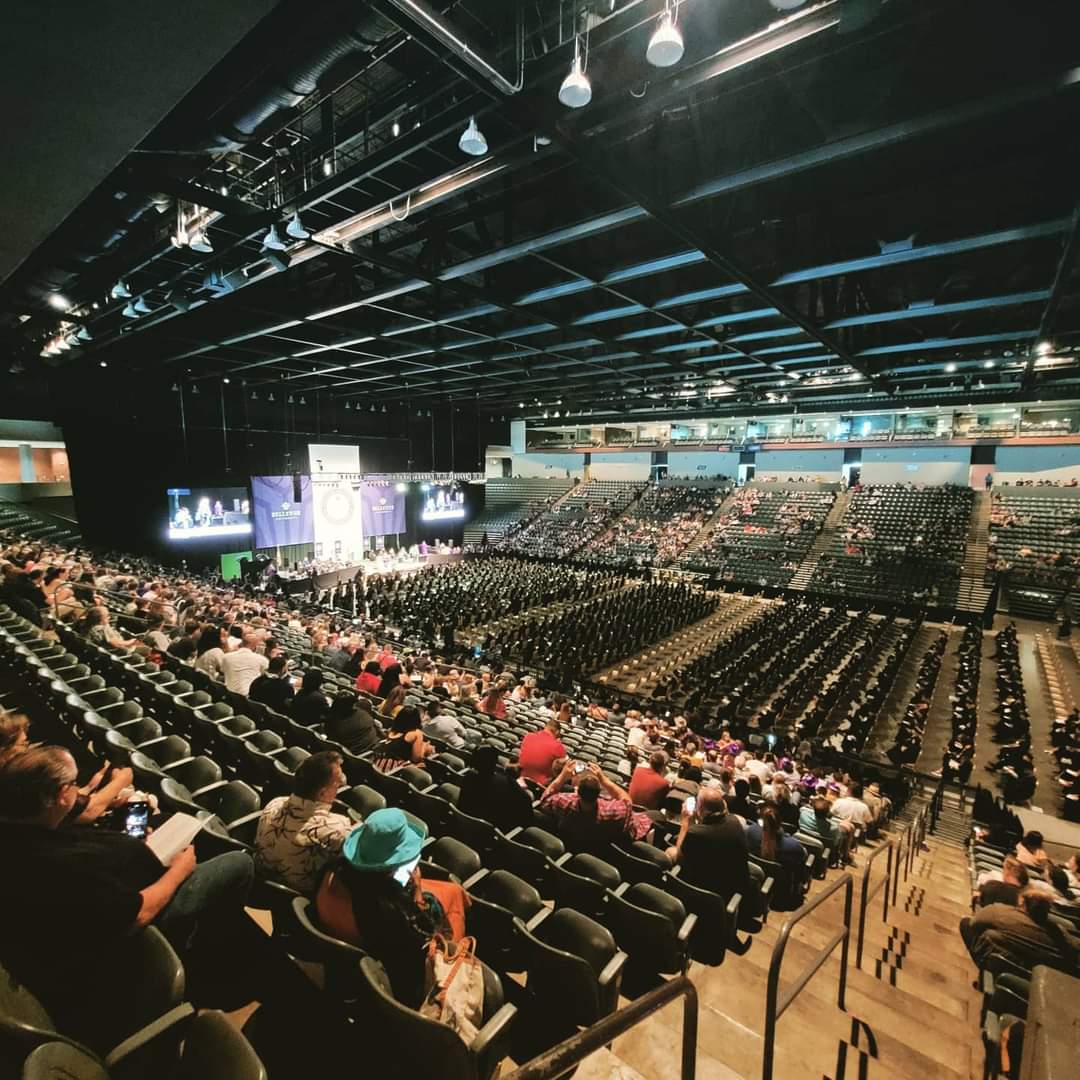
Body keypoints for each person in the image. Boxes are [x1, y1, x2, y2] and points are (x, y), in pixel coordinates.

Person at [0, 746, 254, 997]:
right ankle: (213, 963)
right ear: (54, 798)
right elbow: (138, 914)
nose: (79, 790)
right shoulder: (60, 867)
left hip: (127, 873)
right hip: (143, 919)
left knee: (158, 820)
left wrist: (129, 846)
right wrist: (179, 870)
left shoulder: (25, 829)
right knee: (239, 863)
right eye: (73, 784)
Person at [315, 808, 469, 1007]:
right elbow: (426, 935)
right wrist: (418, 893)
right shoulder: (390, 908)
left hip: (339, 947)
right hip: (388, 968)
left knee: (451, 892)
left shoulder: (332, 869)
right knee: (453, 902)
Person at [254, 751, 352, 895]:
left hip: (259, 888)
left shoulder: (274, 804)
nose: (342, 783)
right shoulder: (337, 829)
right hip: (300, 899)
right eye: (338, 783)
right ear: (322, 793)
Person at [666, 787, 756, 905]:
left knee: (671, 851)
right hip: (734, 886)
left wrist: (686, 822)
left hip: (708, 895)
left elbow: (679, 858)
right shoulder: (735, 821)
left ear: (699, 809)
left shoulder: (695, 833)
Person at [538, 761, 650, 854]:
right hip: (603, 852)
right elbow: (627, 802)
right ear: (599, 793)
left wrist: (563, 776)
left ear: (577, 792)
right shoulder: (612, 810)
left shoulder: (565, 802)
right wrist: (604, 780)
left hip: (573, 848)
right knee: (653, 815)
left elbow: (545, 799)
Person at [960, 889, 1078, 971]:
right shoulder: (1060, 932)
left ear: (1022, 903)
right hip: (1033, 975)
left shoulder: (1002, 913)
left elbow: (973, 923)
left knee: (966, 923)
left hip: (1007, 967)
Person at [458, 744, 534, 832]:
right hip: (499, 829)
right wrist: (517, 785)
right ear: (495, 762)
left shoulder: (467, 779)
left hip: (470, 826)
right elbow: (526, 804)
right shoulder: (506, 782)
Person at [372, 707, 433, 772]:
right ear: (416, 719)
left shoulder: (392, 730)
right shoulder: (416, 733)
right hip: (394, 768)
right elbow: (416, 758)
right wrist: (424, 746)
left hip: (378, 763)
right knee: (423, 765)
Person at [518, 719, 567, 787]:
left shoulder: (528, 736)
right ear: (557, 732)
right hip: (539, 786)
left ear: (545, 727)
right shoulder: (558, 746)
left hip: (519, 779)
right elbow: (561, 771)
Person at [220, 631, 269, 695]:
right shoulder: (262, 660)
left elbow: (222, 670)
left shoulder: (226, 657)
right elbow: (267, 676)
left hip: (228, 693)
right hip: (246, 696)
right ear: (255, 646)